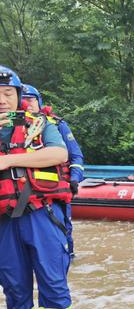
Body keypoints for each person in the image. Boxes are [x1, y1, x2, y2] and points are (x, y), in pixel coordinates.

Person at [0, 65, 74, 309]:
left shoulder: (40, 124)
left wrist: (8, 160)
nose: (1, 99)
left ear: (18, 96)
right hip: (4, 223)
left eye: (8, 93)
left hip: (41, 214)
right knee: (14, 287)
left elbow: (58, 154)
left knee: (53, 283)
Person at [22, 84, 85, 258]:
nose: (27, 104)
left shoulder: (56, 124)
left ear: (39, 101)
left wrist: (74, 179)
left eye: (31, 100)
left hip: (54, 191)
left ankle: (68, 260)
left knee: (63, 230)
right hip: (21, 194)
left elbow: (76, 156)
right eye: (23, 100)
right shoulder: (12, 126)